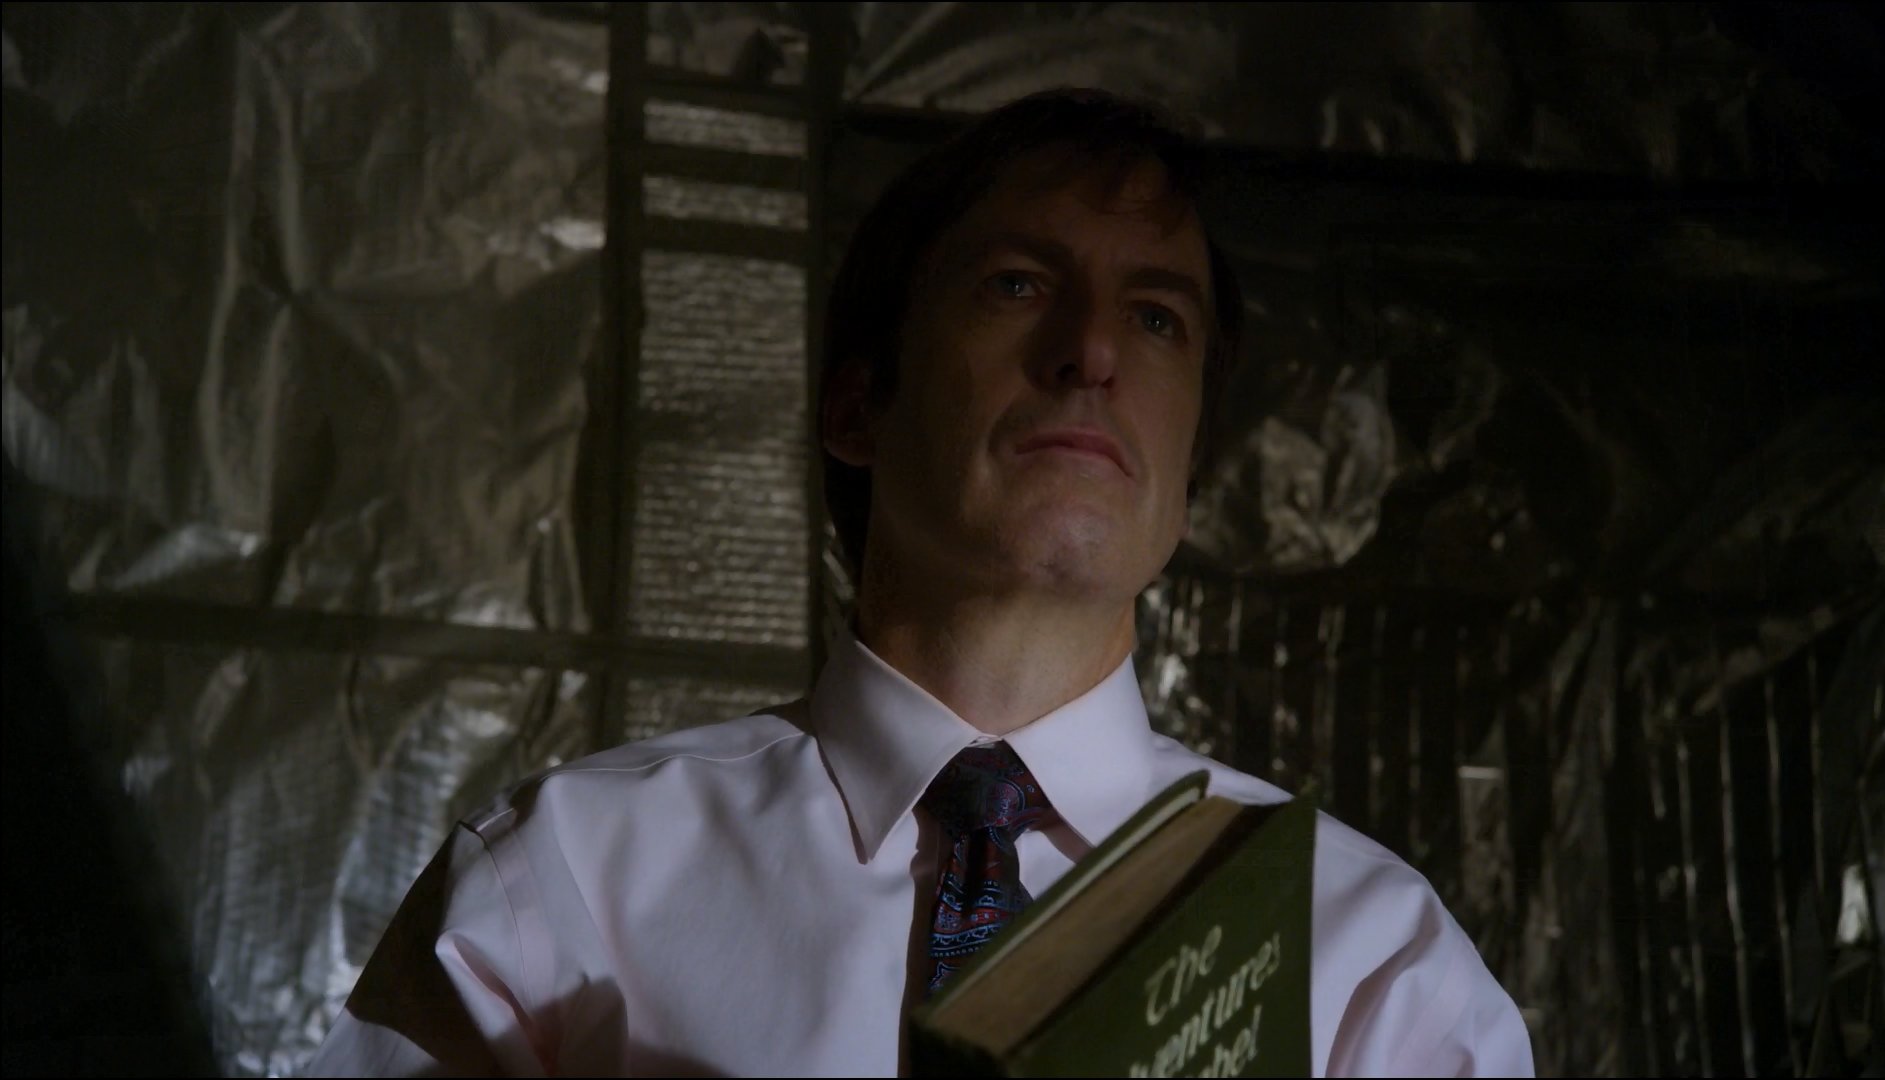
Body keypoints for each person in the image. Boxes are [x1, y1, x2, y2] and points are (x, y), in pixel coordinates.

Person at [310, 88, 1534, 1077]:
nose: (1091, 350)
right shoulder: (558, 885)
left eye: (1158, 318)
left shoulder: (1373, 965)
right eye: (1017, 284)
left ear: (1189, 469)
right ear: (858, 404)